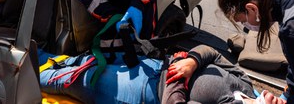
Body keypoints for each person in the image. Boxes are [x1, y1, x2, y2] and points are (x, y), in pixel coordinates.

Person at [38, 45, 255, 104]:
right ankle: (34, 54)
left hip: (142, 92)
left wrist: (179, 67)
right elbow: (212, 53)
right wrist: (193, 61)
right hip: (153, 65)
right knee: (86, 60)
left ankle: (15, 75)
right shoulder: (248, 88)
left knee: (77, 79)